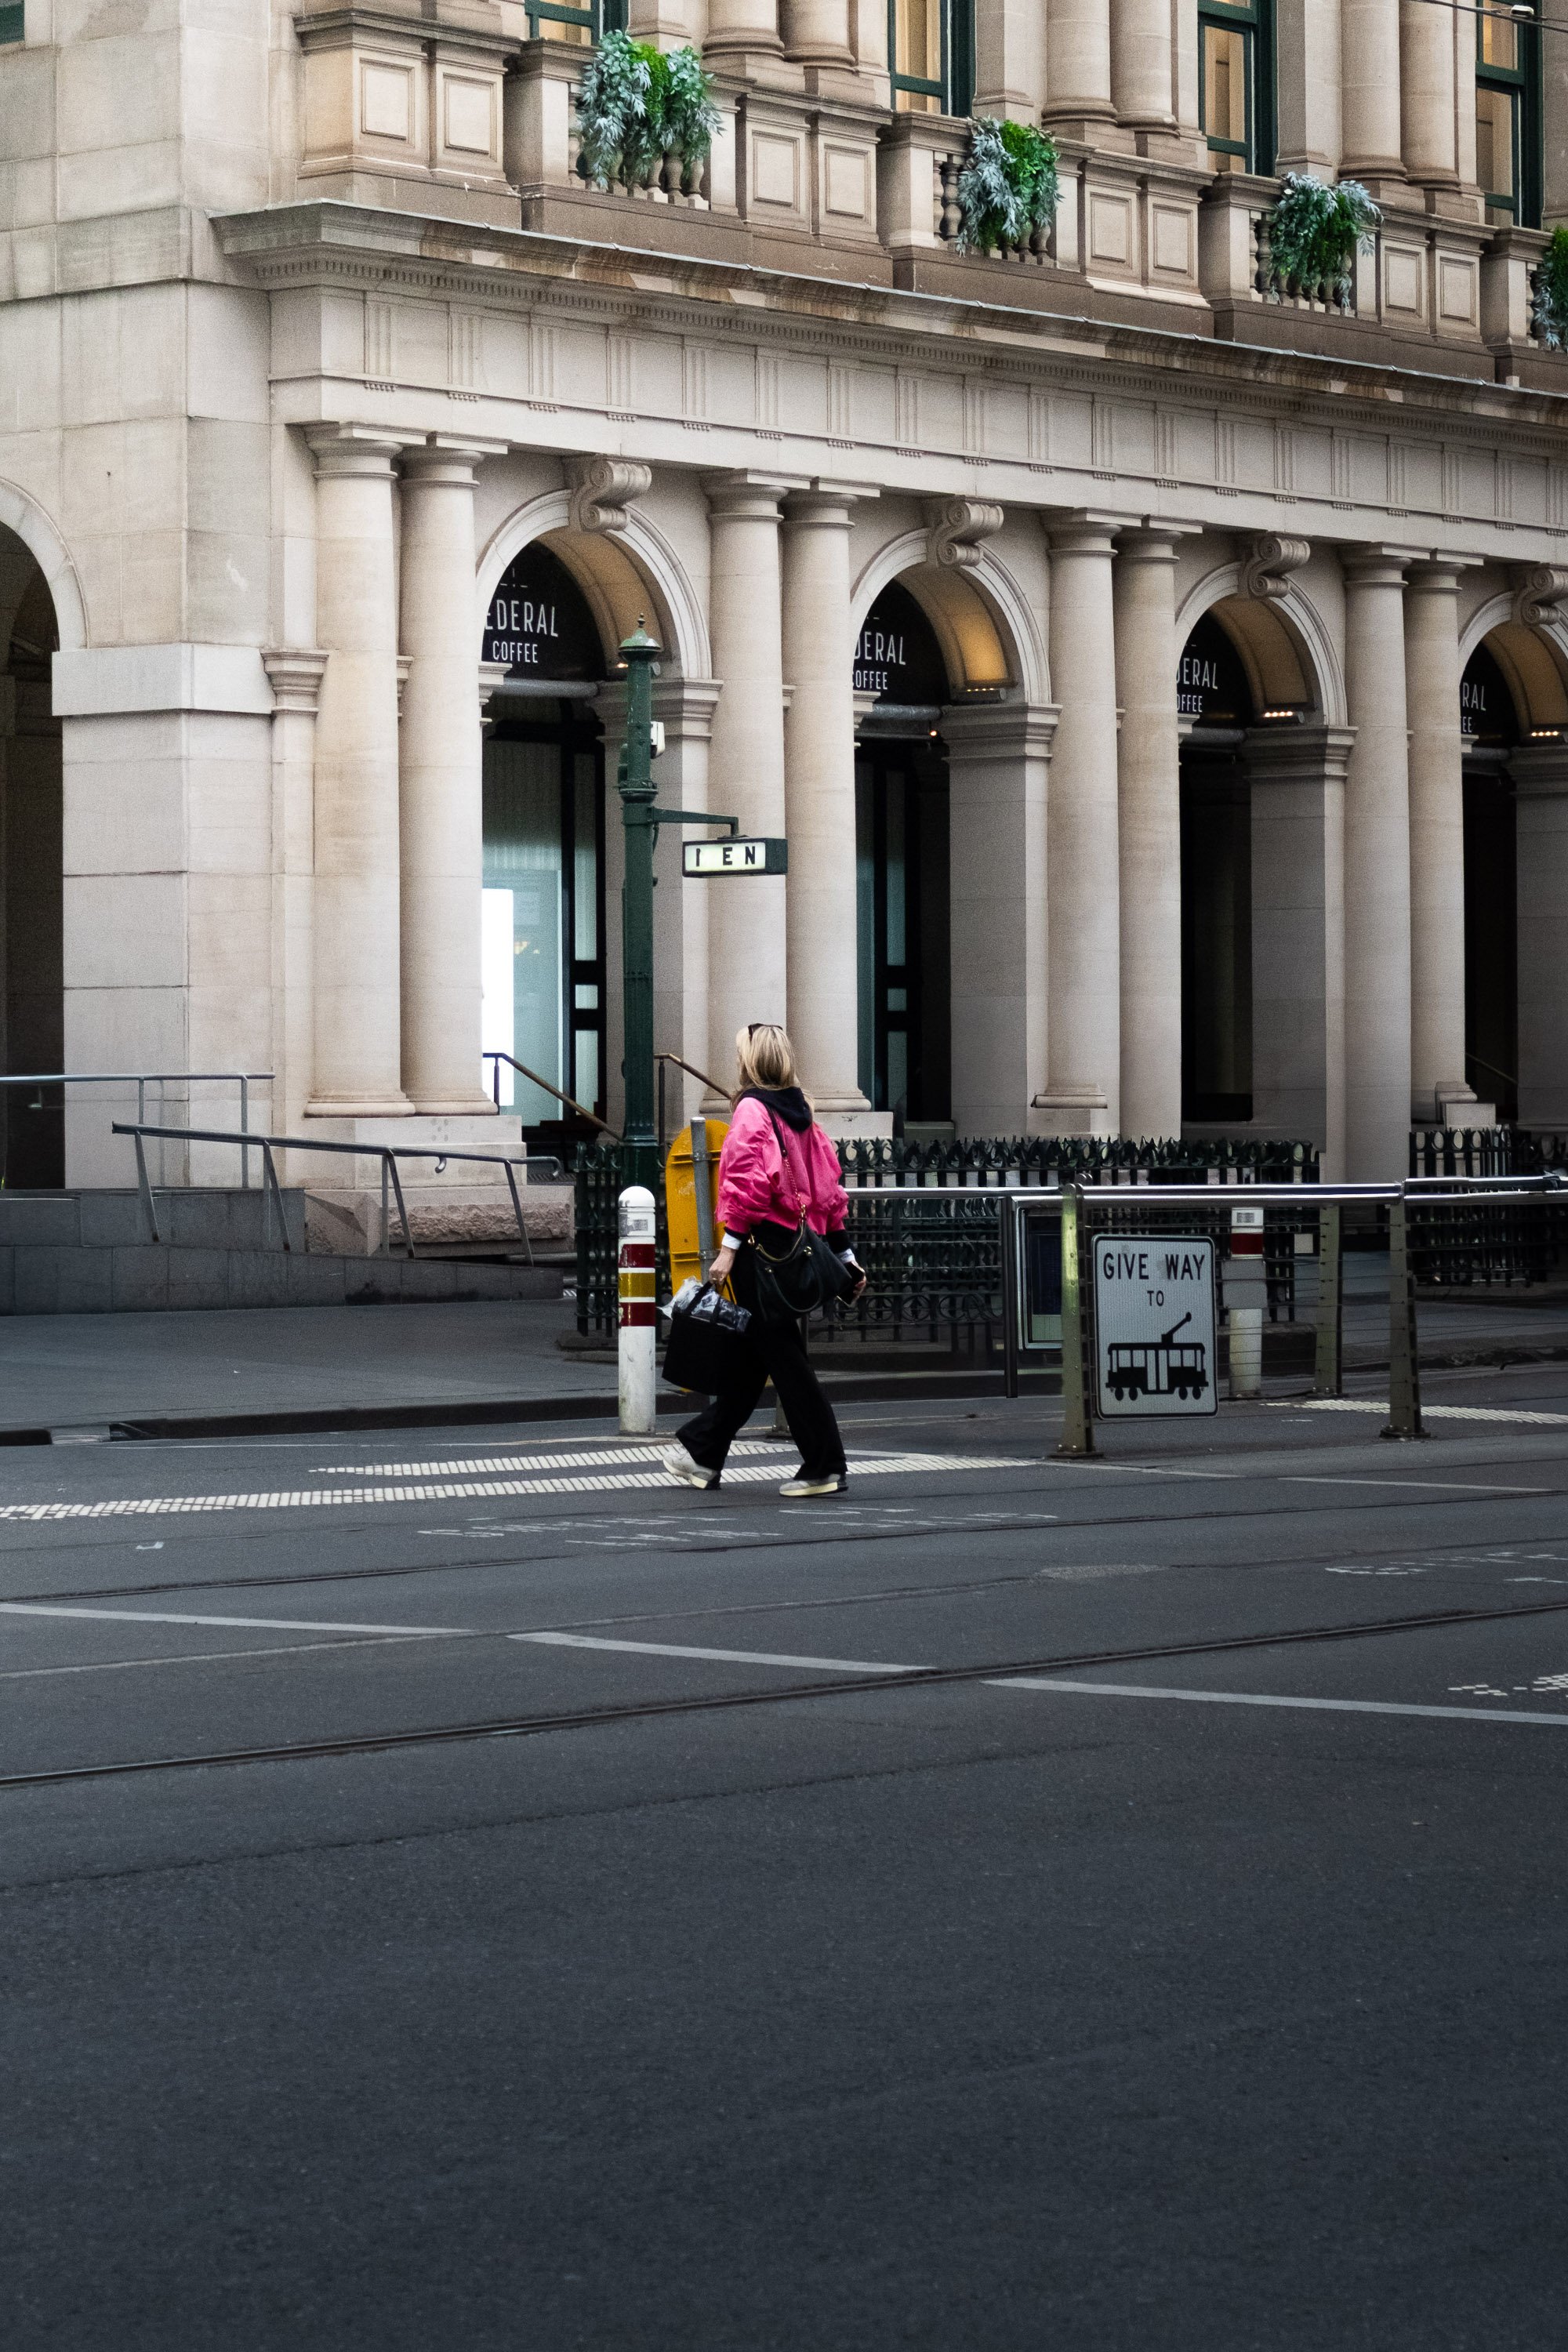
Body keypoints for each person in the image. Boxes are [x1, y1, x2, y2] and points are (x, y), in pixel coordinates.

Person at [662, 1022, 866, 1499]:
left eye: (739, 1052)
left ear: (750, 1061)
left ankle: (823, 1465)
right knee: (755, 1357)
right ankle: (703, 1453)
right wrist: (846, 1256)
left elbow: (747, 1185)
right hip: (795, 1250)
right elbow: (829, 1192)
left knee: (785, 1362)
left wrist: (729, 1249)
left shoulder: (752, 1110)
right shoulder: (803, 1112)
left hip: (763, 1251)